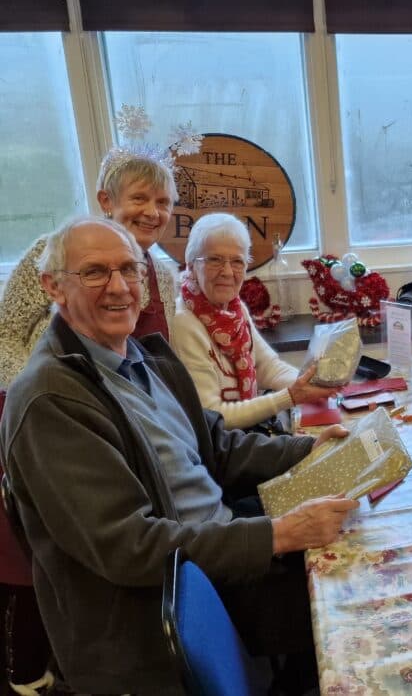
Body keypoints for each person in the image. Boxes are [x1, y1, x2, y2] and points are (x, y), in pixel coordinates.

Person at [0, 216, 359, 694]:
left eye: (129, 269)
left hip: (216, 548)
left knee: (355, 550)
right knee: (349, 610)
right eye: (94, 272)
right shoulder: (51, 402)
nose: (119, 287)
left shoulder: (142, 358)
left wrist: (306, 448)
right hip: (159, 611)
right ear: (53, 287)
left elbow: (220, 447)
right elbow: (131, 547)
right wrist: (278, 534)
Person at [0, 149, 178, 386]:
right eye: (139, 198)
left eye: (163, 202)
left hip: (130, 413)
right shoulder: (54, 253)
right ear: (106, 200)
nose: (152, 212)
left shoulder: (164, 278)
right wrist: (39, 391)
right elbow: (5, 336)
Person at [172, 213, 338, 430]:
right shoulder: (183, 322)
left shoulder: (235, 308)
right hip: (219, 449)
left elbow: (268, 367)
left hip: (246, 434)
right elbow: (213, 415)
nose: (228, 272)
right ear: (192, 266)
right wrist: (290, 397)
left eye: (237, 261)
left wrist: (312, 384)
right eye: (214, 260)